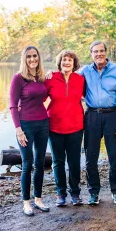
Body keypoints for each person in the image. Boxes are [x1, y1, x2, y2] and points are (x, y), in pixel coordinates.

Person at [80, 41, 116, 205]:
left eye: (101, 51)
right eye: (95, 51)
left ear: (106, 52)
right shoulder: (85, 71)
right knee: (90, 157)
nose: (99, 54)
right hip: (92, 116)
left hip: (112, 116)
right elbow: (67, 77)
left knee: (115, 156)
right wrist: (51, 73)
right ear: (91, 54)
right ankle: (94, 192)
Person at [9, 45, 50, 216]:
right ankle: (26, 202)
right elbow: (12, 106)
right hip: (25, 125)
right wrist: (18, 130)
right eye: (29, 57)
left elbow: (45, 97)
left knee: (40, 163)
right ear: (24, 59)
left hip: (43, 123)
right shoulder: (18, 78)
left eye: (35, 56)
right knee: (27, 164)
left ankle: (38, 199)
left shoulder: (41, 78)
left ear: (38, 58)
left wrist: (50, 76)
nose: (32, 59)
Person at [44, 50, 85, 207]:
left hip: (75, 127)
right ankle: (61, 193)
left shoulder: (80, 79)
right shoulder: (50, 78)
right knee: (58, 162)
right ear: (59, 62)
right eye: (64, 60)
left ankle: (75, 193)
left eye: (70, 60)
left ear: (74, 64)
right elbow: (39, 97)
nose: (67, 62)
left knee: (74, 162)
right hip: (54, 127)